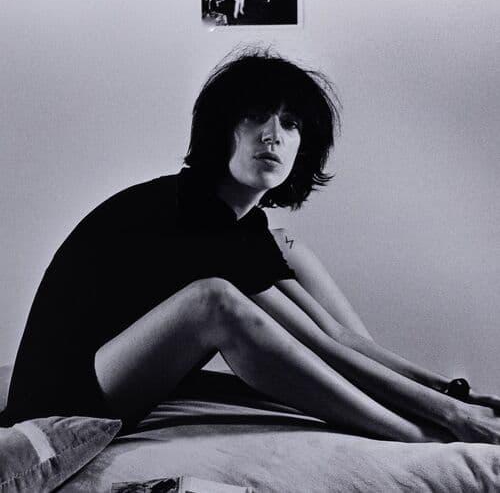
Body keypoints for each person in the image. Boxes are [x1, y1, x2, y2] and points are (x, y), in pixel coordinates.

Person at [3, 48, 500, 443]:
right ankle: (415, 437)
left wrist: (453, 393)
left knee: (285, 249)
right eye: (256, 117)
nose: (273, 136)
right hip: (61, 402)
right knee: (214, 301)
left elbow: (334, 335)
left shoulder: (245, 222)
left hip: (117, 377)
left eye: (290, 123)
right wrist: (447, 420)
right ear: (223, 130)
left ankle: (432, 422)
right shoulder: (191, 208)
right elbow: (321, 345)